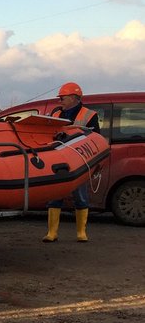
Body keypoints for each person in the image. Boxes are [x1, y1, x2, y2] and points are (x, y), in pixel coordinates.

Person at [43, 82, 100, 243]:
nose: (60, 100)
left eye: (62, 97)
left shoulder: (89, 115)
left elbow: (95, 137)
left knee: (80, 197)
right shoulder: (55, 115)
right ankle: (52, 233)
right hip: (57, 162)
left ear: (74, 98)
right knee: (54, 197)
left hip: (79, 162)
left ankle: (81, 233)